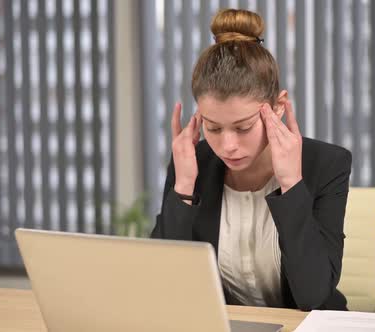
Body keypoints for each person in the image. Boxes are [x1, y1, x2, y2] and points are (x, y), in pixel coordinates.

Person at [150, 8, 352, 311]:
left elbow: (314, 296)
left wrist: (291, 184)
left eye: (244, 127)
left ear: (278, 107)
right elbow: (163, 287)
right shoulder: (192, 162)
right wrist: (184, 187)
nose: (227, 146)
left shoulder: (326, 165)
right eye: (213, 127)